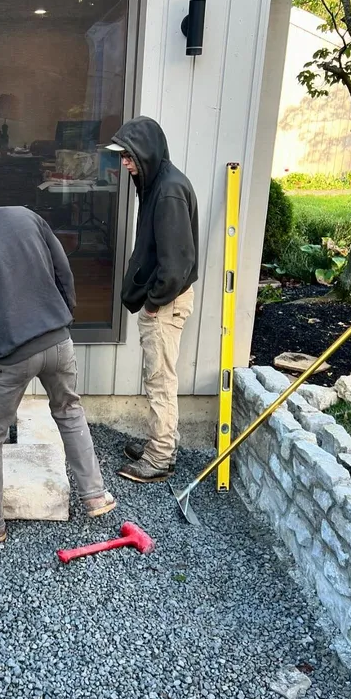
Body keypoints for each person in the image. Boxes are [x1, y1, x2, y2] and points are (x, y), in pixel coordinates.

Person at [0, 167, 116, 543]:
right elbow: (64, 272)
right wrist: (62, 319)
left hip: (8, 357)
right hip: (58, 341)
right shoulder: (25, 215)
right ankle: (95, 494)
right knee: (69, 411)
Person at [106, 116, 199, 483]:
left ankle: (160, 457)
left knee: (160, 379)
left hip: (166, 303)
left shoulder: (169, 191)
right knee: (158, 376)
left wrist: (153, 302)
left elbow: (176, 264)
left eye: (128, 157)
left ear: (145, 153)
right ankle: (160, 443)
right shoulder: (157, 184)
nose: (125, 164)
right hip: (162, 300)